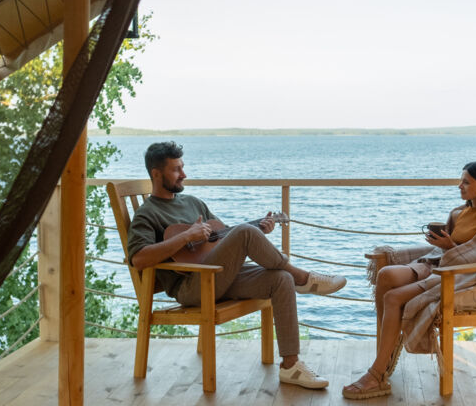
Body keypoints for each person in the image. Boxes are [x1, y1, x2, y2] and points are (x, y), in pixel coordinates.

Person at [126, 141, 347, 389]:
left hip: (217, 277)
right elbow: (139, 258)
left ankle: (291, 366)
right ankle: (304, 278)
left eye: (183, 167)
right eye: (176, 169)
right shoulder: (147, 214)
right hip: (192, 287)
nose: (184, 174)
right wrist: (186, 236)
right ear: (156, 174)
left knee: (280, 279)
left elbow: (223, 238)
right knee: (247, 235)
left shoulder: (193, 202)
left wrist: (258, 230)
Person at [342, 161, 476, 399]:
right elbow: (450, 249)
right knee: (385, 275)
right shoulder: (458, 212)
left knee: (393, 298)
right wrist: (442, 245)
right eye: (460, 180)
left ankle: (377, 374)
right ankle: (385, 354)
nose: (459, 185)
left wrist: (449, 247)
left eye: (466, 182)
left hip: (461, 278)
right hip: (439, 263)